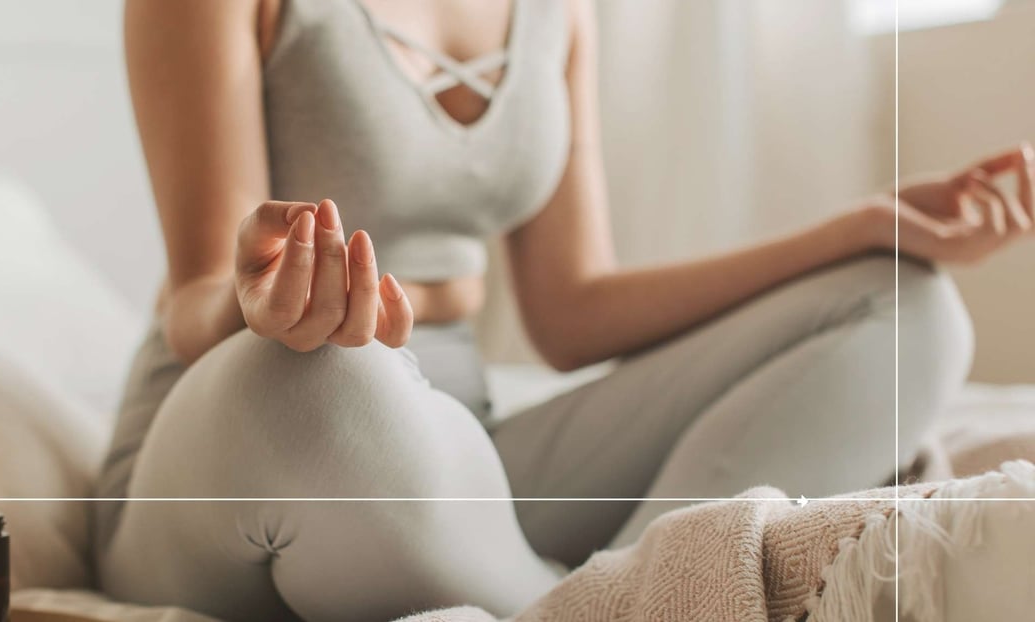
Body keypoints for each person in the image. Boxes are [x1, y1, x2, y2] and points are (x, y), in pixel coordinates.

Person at [93, 0, 1035, 620]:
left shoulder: (555, 12)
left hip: (451, 449)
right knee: (328, 382)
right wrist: (266, 301)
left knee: (906, 307)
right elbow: (193, 304)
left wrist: (865, 228)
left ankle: (621, 597)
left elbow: (573, 310)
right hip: (240, 441)